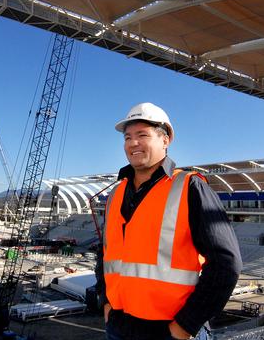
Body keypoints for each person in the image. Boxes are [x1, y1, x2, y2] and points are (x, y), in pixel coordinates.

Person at [95, 102, 242, 340]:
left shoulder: (189, 187)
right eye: (128, 137)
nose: (133, 143)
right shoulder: (115, 194)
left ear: (165, 140)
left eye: (143, 135)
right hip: (119, 325)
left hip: (168, 330)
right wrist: (106, 302)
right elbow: (104, 253)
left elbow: (226, 263)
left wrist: (186, 325)